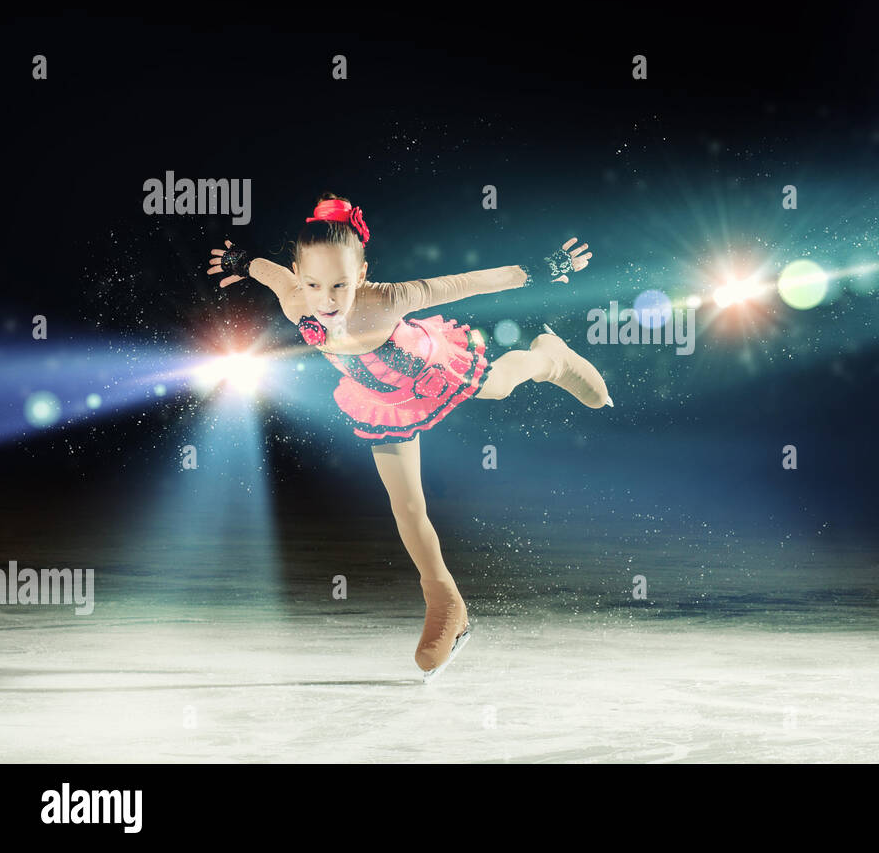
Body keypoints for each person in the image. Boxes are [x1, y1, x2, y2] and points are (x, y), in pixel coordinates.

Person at [207, 193, 612, 680]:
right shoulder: (297, 299)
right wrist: (241, 260)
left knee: (500, 387)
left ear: (360, 275)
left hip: (431, 369)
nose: (328, 299)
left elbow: (464, 284)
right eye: (314, 284)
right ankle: (446, 603)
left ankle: (551, 357)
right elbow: (271, 273)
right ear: (301, 274)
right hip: (380, 400)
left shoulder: (387, 300)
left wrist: (535, 271)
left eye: (340, 284)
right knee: (407, 507)